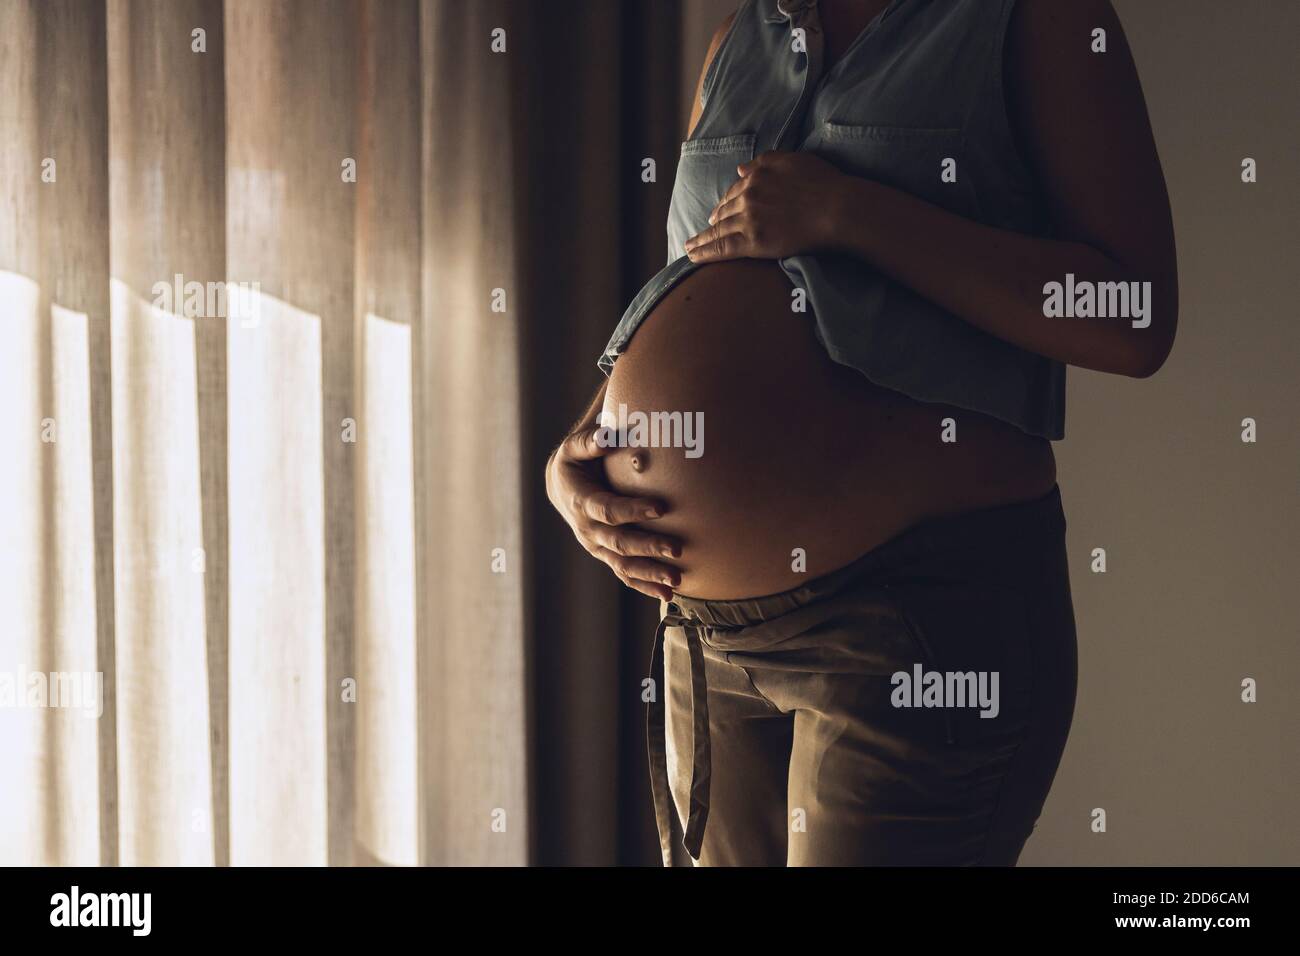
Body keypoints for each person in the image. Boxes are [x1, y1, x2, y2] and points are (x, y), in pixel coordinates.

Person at [545, 0, 1176, 866]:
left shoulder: (1037, 20)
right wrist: (579, 447)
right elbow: (693, 275)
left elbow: (1134, 317)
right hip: (706, 638)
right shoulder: (740, 40)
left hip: (907, 625)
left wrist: (854, 214)